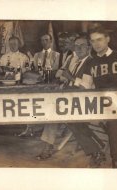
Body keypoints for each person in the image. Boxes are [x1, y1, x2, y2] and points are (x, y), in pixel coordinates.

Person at [36, 35, 106, 167]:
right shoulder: (76, 60)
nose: (78, 48)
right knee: (52, 113)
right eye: (76, 46)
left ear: (89, 47)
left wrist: (71, 78)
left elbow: (85, 86)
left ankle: (95, 152)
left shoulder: (91, 62)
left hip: (86, 103)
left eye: (82, 45)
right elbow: (62, 76)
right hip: (71, 101)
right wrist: (66, 79)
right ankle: (48, 147)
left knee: (67, 118)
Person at [80, 26, 117, 168]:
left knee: (111, 124)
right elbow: (85, 86)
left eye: (99, 40)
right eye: (92, 41)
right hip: (99, 104)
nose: (96, 44)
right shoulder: (90, 62)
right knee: (73, 120)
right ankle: (100, 151)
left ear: (107, 39)